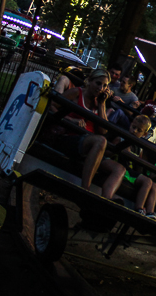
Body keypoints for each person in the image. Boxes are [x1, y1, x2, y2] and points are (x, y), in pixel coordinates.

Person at [52, 68, 125, 199]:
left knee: (119, 169)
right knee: (100, 141)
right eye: (98, 83)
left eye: (105, 86)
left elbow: (103, 130)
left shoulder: (99, 102)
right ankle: (85, 189)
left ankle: (105, 200)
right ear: (90, 81)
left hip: (91, 146)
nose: (101, 88)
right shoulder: (76, 93)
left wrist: (102, 104)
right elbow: (52, 104)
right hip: (70, 138)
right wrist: (70, 119)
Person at [116, 115, 156, 225]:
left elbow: (139, 163)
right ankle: (139, 209)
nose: (134, 131)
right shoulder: (122, 138)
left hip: (132, 172)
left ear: (144, 134)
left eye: (139, 130)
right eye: (133, 127)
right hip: (123, 169)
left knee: (154, 185)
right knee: (147, 181)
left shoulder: (139, 146)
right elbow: (126, 154)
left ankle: (150, 213)